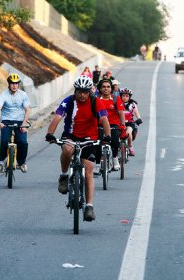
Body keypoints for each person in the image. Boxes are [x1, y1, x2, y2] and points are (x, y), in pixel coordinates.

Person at [45, 75, 111, 221]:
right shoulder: (69, 101)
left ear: (90, 91)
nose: (82, 94)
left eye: (85, 92)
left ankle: (89, 206)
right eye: (79, 91)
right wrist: (50, 133)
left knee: (88, 171)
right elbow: (57, 117)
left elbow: (104, 120)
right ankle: (63, 176)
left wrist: (107, 136)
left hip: (90, 138)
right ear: (75, 91)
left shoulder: (96, 101)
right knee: (67, 150)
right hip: (71, 135)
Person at [0, 73, 30, 173]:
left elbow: (27, 110)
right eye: (12, 83)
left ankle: (22, 162)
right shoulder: (3, 95)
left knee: (23, 142)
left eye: (16, 83)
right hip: (6, 121)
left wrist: (24, 123)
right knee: (4, 140)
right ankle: (1, 161)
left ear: (19, 84)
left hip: (20, 121)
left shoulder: (23, 95)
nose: (14, 86)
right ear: (9, 84)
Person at [94, 78, 126, 174]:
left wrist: (122, 125)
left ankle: (115, 158)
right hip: (99, 125)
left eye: (108, 87)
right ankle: (97, 164)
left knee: (115, 141)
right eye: (103, 87)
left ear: (111, 89)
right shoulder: (95, 100)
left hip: (113, 125)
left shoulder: (116, 99)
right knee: (97, 144)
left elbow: (121, 113)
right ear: (99, 89)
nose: (106, 89)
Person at [120, 88, 143, 156]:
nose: (125, 98)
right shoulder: (117, 103)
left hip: (129, 123)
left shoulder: (132, 105)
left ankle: (130, 146)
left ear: (129, 97)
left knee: (128, 132)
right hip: (120, 122)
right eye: (123, 96)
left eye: (127, 96)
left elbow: (137, 113)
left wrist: (139, 119)